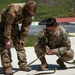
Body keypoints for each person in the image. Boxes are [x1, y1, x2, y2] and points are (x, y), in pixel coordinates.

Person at [0, 0, 37, 75]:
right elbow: (8, 24)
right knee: (5, 46)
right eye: (29, 13)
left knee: (20, 44)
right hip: (2, 24)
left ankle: (23, 64)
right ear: (26, 9)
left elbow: (26, 26)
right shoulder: (14, 9)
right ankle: (7, 67)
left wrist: (22, 37)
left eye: (32, 14)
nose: (31, 15)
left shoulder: (30, 13)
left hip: (13, 24)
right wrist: (7, 38)